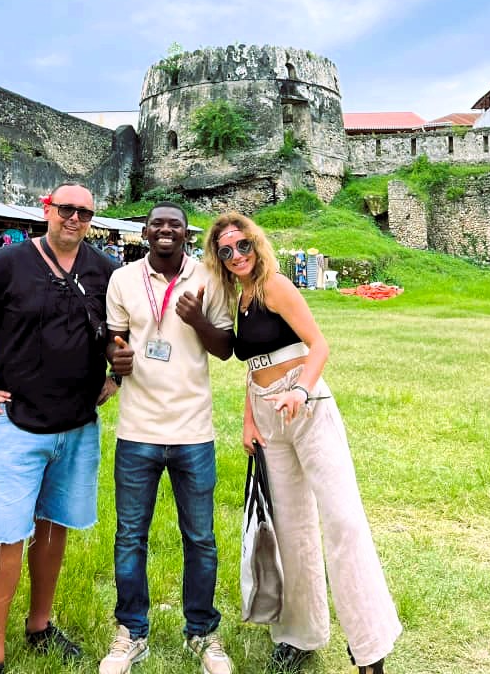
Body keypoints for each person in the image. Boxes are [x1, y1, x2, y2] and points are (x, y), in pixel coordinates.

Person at [204, 212, 401, 674]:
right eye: (226, 251)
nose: (236, 256)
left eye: (243, 246)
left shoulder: (274, 285)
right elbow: (253, 366)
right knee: (292, 528)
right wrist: (250, 420)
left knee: (343, 520)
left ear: (257, 245)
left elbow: (318, 345)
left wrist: (300, 390)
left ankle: (370, 647)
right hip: (269, 416)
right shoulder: (241, 296)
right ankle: (300, 634)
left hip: (306, 405)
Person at [0, 183, 116, 674]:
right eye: (65, 209)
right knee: (7, 533)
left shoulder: (102, 271)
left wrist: (116, 376)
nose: (74, 219)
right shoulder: (6, 265)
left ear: (91, 218)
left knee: (55, 524)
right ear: (47, 210)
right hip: (18, 425)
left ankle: (40, 624)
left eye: (84, 212)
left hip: (77, 426)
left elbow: (128, 331)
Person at [100, 202, 235, 674]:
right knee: (130, 537)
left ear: (185, 234)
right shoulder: (123, 279)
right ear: (144, 231)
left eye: (174, 225)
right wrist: (116, 360)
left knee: (199, 538)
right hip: (137, 430)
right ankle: (131, 633)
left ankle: (202, 633)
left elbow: (225, 349)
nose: (164, 230)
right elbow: (116, 338)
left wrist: (198, 319)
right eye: (157, 223)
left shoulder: (209, 278)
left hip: (193, 431)